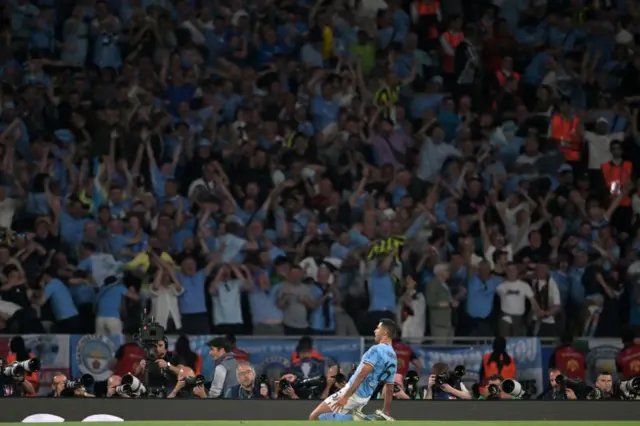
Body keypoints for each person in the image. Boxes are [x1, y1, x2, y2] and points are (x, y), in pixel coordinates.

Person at [309, 319, 398, 422]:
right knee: (330, 419)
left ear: (385, 332)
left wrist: (345, 397)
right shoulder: (393, 357)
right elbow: (389, 387)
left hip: (353, 392)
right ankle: (356, 419)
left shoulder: (376, 349)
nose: (375, 330)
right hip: (365, 397)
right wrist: (386, 411)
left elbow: (362, 375)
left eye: (378, 328)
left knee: (315, 417)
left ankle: (360, 419)